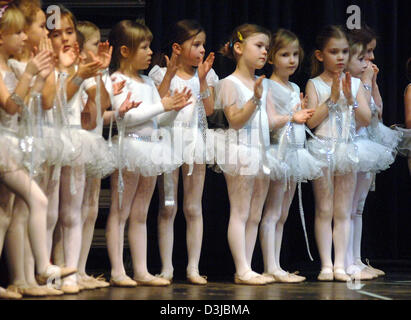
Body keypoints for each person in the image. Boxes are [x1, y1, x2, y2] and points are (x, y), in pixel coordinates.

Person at [106, 19, 191, 287]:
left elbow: (156, 120)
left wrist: (173, 107)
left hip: (151, 148)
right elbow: (127, 118)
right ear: (124, 51)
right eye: (143, 47)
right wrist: (162, 105)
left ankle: (141, 270)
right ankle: (118, 270)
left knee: (141, 213)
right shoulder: (116, 80)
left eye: (150, 46)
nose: (149, 52)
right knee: (120, 211)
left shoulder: (146, 81)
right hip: (130, 147)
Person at [0, 2, 76, 298]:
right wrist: (31, 73)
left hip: (12, 142)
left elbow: (24, 103)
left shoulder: (9, 66)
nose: (23, 37)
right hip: (5, 142)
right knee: (37, 201)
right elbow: (11, 106)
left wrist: (38, 77)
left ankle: (36, 271)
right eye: (17, 32)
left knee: (6, 213)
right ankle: (42, 267)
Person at [149, 19, 217, 285]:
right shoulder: (160, 72)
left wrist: (201, 82)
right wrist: (169, 73)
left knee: (193, 207)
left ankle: (193, 268)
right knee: (168, 206)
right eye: (196, 44)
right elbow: (157, 105)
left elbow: (209, 110)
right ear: (178, 47)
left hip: (194, 143)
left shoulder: (205, 75)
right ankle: (166, 268)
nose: (201, 50)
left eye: (203, 44)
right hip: (167, 141)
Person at [305, 25, 371, 282]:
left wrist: (350, 98)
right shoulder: (314, 84)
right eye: (334, 52)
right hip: (322, 148)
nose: (341, 57)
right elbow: (311, 122)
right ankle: (326, 265)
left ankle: (341, 265)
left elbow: (365, 120)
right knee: (324, 209)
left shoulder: (355, 84)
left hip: (347, 149)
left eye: (345, 51)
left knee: (343, 211)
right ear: (321, 55)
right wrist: (332, 99)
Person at [214, 24, 278, 285]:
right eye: (259, 46)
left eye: (266, 47)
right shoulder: (229, 83)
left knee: (255, 214)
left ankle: (249, 267)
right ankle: (241, 269)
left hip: (260, 152)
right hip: (241, 150)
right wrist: (254, 99)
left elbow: (267, 122)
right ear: (239, 48)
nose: (265, 52)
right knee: (240, 212)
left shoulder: (258, 83)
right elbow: (236, 121)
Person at [259, 29, 321, 283]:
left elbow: (298, 120)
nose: (292, 60)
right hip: (278, 153)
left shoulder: (295, 86)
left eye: (295, 54)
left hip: (296, 154)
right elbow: (271, 122)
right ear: (272, 58)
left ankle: (277, 265)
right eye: (285, 54)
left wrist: (303, 113)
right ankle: (269, 266)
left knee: (283, 214)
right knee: (272, 212)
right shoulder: (267, 85)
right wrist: (293, 117)